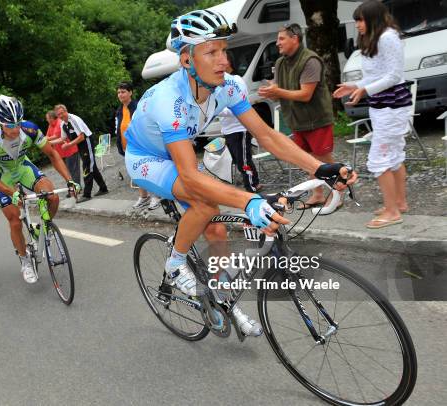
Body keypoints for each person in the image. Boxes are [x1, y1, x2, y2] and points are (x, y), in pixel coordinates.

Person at [125, 9, 355, 337]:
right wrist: (249, 201)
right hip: (147, 158)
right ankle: (175, 265)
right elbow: (189, 177)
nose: (223, 59)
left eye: (224, 49)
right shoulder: (169, 100)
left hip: (180, 154)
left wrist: (321, 167)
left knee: (216, 231)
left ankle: (221, 299)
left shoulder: (229, 86)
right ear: (187, 60)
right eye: (212, 52)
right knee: (205, 205)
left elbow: (267, 136)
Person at [0, 95, 79, 284]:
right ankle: (24, 260)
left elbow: (52, 154)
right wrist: (12, 192)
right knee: (15, 220)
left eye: (18, 123)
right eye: (10, 125)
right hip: (3, 176)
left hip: (23, 167)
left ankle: (43, 229)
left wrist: (70, 180)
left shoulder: (30, 129)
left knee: (52, 197)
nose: (15, 129)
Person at [333, 0, 410, 229]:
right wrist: (354, 85)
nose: (357, 24)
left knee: (379, 160)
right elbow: (379, 75)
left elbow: (394, 76)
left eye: (360, 20)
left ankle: (392, 212)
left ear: (373, 19)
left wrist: (365, 90)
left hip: (391, 107)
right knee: (395, 156)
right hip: (385, 106)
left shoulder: (387, 37)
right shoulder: (378, 38)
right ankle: (399, 203)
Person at [258, 23, 338, 209]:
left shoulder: (310, 60)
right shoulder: (280, 62)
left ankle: (337, 193)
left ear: (295, 38)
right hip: (297, 121)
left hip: (317, 119)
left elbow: (305, 94)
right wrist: (271, 92)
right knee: (306, 159)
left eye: (281, 38)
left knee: (323, 158)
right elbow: (281, 92)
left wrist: (278, 91)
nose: (277, 43)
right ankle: (317, 194)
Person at [114, 81, 161, 210]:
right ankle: (144, 197)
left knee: (149, 170)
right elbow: (118, 128)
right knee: (136, 172)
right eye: (118, 92)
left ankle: (156, 196)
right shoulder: (119, 110)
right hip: (128, 147)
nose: (120, 94)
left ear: (130, 92)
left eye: (123, 92)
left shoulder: (138, 106)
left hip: (141, 145)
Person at [219, 52, 260, 192]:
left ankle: (252, 187)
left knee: (244, 160)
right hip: (228, 130)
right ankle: (254, 182)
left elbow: (240, 107)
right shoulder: (219, 82)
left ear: (228, 62)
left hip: (240, 128)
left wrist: (217, 111)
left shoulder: (237, 80)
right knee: (238, 161)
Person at [55, 104, 108, 203]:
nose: (61, 116)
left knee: (87, 167)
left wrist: (69, 145)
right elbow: (62, 138)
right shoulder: (63, 124)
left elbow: (82, 137)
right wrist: (48, 143)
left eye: (62, 113)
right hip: (79, 145)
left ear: (66, 111)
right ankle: (103, 188)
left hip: (86, 142)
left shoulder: (74, 119)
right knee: (92, 167)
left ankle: (87, 194)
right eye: (59, 114)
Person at [46, 110, 80, 187]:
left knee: (73, 171)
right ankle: (72, 188)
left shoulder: (59, 123)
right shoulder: (50, 125)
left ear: (51, 118)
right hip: (61, 153)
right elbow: (48, 136)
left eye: (47, 118)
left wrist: (47, 139)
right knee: (66, 172)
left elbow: (57, 136)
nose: (46, 120)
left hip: (70, 150)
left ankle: (77, 188)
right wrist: (47, 139)